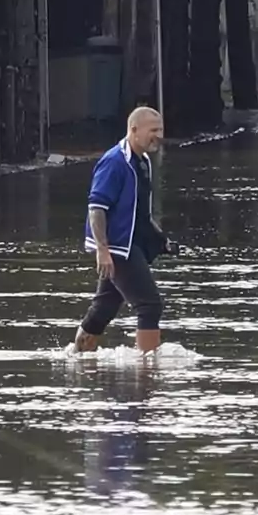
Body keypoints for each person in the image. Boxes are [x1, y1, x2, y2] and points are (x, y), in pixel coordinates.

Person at [71, 106, 173, 354]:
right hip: (117, 247)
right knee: (149, 305)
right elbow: (96, 208)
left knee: (104, 307)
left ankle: (79, 358)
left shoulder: (143, 162)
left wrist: (161, 239)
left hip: (131, 244)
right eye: (153, 130)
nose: (158, 135)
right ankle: (147, 370)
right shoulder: (114, 162)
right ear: (134, 130)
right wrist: (102, 251)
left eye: (160, 130)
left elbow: (140, 213)